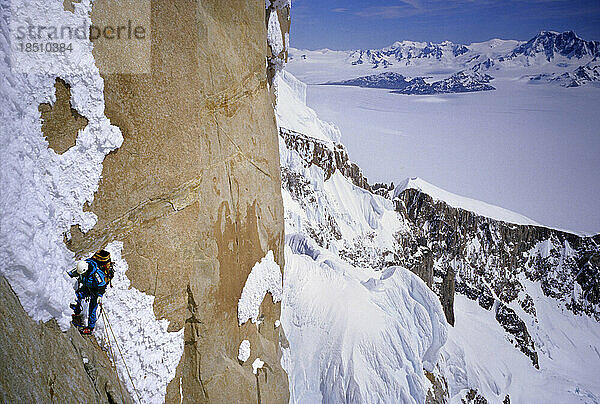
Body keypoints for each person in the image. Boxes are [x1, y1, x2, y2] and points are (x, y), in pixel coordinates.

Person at [68, 250, 114, 335]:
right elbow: (74, 273)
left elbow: (102, 285)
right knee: (77, 296)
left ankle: (90, 328)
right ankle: (76, 311)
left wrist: (99, 296)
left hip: (95, 291)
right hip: (87, 286)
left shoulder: (96, 273)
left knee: (92, 309)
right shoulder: (82, 266)